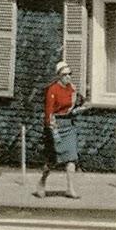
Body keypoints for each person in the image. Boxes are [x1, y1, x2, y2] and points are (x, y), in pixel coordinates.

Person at [35, 61, 84, 199]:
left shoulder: (72, 89)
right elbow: (49, 113)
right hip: (55, 126)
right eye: (65, 75)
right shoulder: (52, 90)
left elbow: (72, 110)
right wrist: (53, 131)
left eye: (70, 74)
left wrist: (81, 110)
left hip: (69, 126)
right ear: (59, 76)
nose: (68, 77)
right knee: (52, 160)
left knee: (72, 158)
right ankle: (42, 182)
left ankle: (70, 188)